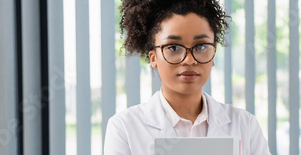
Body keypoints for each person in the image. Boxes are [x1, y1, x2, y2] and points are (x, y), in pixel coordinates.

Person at [104, 0, 271, 154]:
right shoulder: (124, 128)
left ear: (213, 55)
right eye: (174, 47)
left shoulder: (245, 125)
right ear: (153, 57)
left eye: (201, 46)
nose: (189, 60)